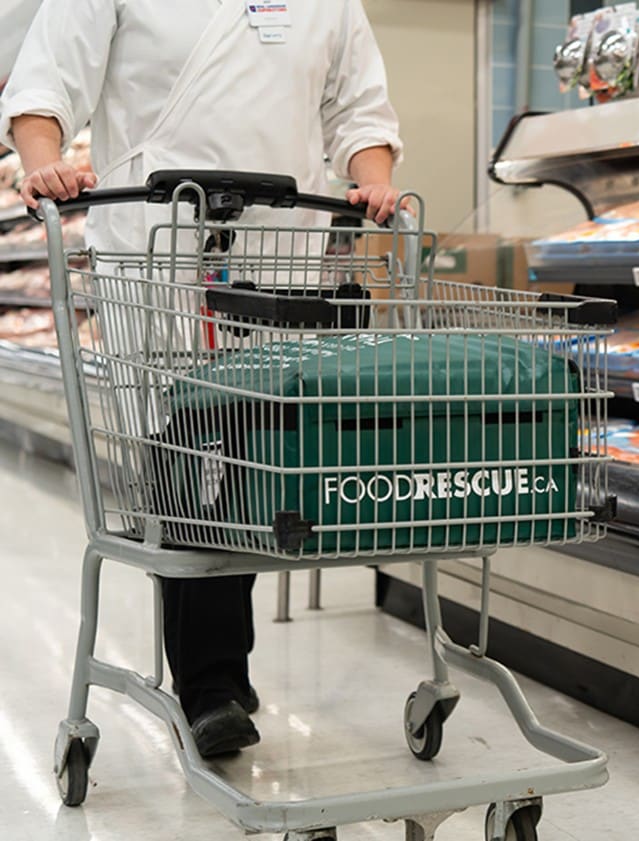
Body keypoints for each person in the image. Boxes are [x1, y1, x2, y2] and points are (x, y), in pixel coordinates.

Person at [0, 0, 405, 758]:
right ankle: (211, 683)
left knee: (256, 452)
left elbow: (358, 107)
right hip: (161, 247)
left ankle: (220, 660)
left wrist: (371, 179)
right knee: (187, 447)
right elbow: (45, 84)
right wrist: (41, 161)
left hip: (281, 248)